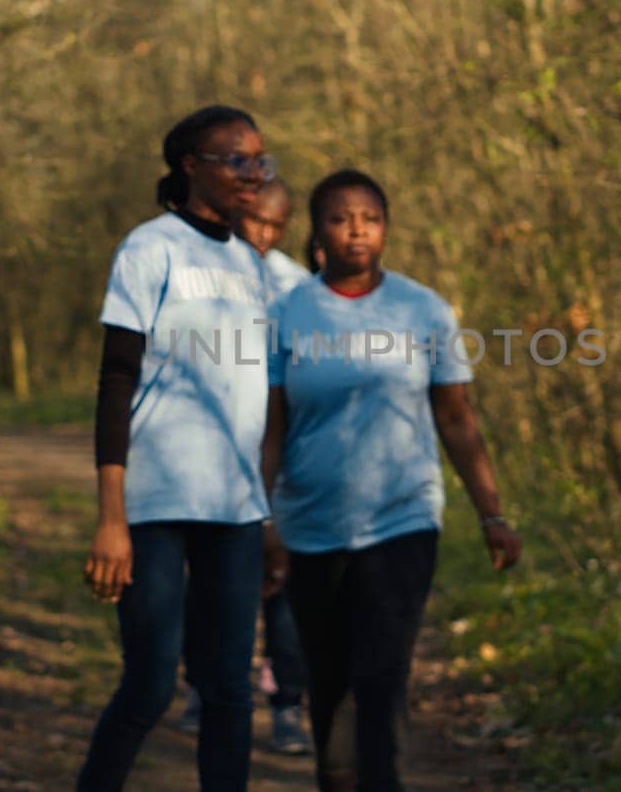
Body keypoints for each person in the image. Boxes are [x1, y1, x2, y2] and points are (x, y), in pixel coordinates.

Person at [261, 169, 523, 791]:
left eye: (370, 218)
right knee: (328, 681)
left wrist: (491, 513)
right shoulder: (286, 313)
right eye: (340, 217)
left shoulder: (423, 309)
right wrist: (262, 518)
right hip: (310, 526)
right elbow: (271, 428)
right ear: (318, 231)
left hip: (402, 520)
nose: (356, 229)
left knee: (380, 676)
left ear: (386, 229)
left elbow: (456, 419)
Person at [78, 105, 287, 791]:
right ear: (190, 166)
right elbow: (116, 381)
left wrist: (269, 512)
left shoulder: (254, 269)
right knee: (149, 686)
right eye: (235, 158)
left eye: (259, 160)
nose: (251, 173)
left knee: (230, 691)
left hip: (234, 509)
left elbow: (259, 398)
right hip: (156, 503)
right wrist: (111, 519)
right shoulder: (151, 247)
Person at [178, 179, 314, 756]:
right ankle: (201, 687)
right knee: (211, 583)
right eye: (253, 221)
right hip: (214, 455)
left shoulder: (297, 287)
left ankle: (287, 705)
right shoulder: (201, 274)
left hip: (280, 459)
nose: (261, 234)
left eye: (274, 226)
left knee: (282, 594)